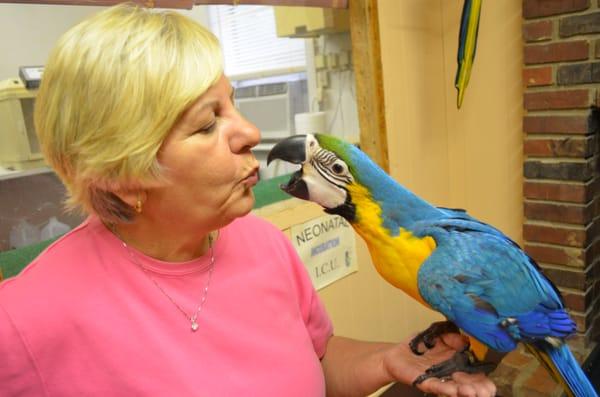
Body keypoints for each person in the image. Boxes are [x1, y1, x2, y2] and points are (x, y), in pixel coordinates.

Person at [0, 4, 496, 397]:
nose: (251, 133)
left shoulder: (264, 243)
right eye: (207, 122)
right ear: (123, 176)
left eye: (232, 103)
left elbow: (316, 362)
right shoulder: (22, 324)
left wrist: (389, 361)